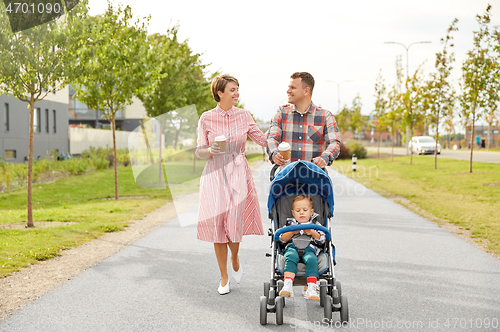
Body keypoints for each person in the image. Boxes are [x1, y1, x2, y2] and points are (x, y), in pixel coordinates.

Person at [195, 75, 267, 295]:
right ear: (220, 93)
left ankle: (235, 256)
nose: (236, 93)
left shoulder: (245, 116)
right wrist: (210, 151)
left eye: (237, 89)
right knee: (218, 227)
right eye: (232, 90)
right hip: (215, 175)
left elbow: (262, 139)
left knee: (234, 224)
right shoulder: (206, 118)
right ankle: (224, 277)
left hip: (238, 174)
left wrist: (278, 132)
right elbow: (199, 151)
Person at [267, 72, 341, 168]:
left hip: (314, 177)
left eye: (292, 88)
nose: (288, 91)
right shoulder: (281, 113)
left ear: (306, 91)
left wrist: (324, 158)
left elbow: (334, 142)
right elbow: (271, 138)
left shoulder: (325, 116)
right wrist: (275, 154)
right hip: (286, 177)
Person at [278, 194, 325, 301]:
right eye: (298, 210)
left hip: (310, 249)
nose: (301, 212)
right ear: (293, 213)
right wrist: (292, 232)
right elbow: (282, 238)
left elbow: (322, 239)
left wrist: (313, 232)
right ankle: (288, 284)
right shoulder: (290, 223)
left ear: (311, 212)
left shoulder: (315, 224)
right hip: (292, 247)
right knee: (290, 256)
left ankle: (312, 287)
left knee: (311, 259)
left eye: (305, 210)